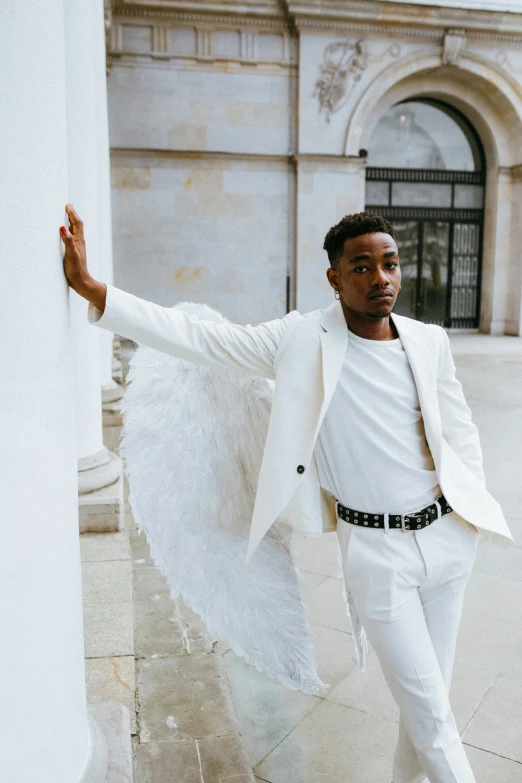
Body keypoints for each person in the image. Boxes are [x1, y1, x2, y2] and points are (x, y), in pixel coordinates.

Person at [60, 204, 514, 783]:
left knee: (428, 709)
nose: (382, 278)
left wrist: (466, 509)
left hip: (449, 542)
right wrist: (96, 290)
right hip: (379, 556)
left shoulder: (428, 342)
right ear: (334, 276)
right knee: (431, 712)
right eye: (363, 266)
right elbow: (202, 338)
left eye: (391, 264)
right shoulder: (300, 339)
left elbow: (459, 428)